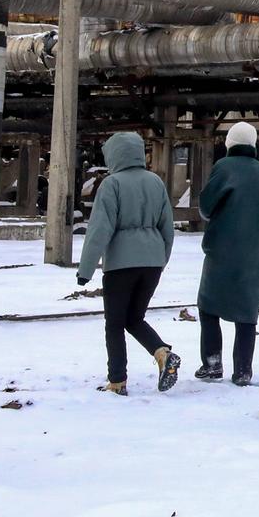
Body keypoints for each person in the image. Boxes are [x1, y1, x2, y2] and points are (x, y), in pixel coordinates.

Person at [76, 131, 180, 396]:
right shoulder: (156, 182)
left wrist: (85, 270)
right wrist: (160, 260)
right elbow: (167, 228)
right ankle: (162, 352)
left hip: (121, 265)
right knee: (134, 318)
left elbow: (99, 229)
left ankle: (117, 381)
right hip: (152, 263)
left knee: (114, 323)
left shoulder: (111, 184)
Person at [195, 121, 259, 386]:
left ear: (229, 142)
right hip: (255, 254)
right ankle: (243, 370)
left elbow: (206, 206)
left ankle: (212, 364)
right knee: (247, 312)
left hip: (222, 251)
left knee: (208, 306)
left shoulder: (224, 167)